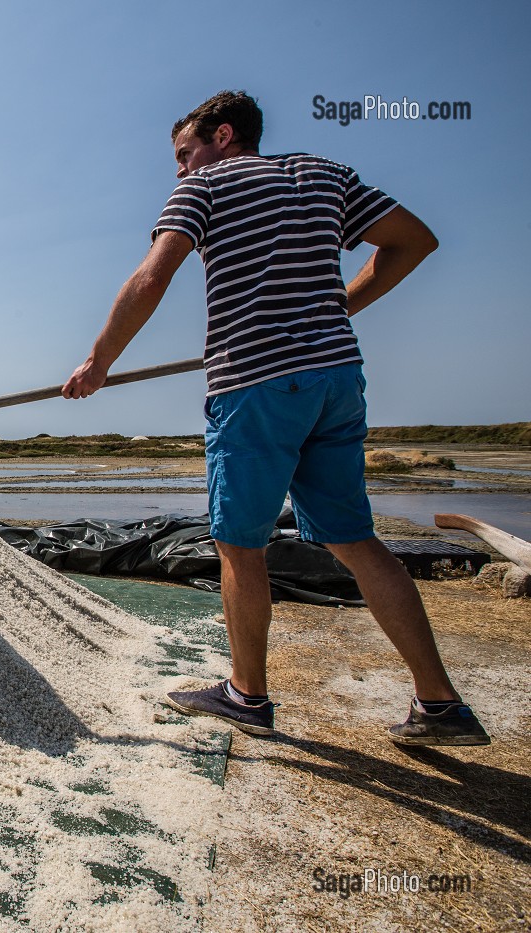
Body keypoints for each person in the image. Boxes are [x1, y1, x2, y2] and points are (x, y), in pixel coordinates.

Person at [61, 90, 490, 746]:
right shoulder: (325, 174)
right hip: (336, 380)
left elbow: (150, 279)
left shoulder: (204, 188)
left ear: (224, 135)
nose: (180, 170)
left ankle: (247, 695)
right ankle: (440, 703)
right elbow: (414, 241)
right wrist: (339, 306)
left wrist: (96, 364)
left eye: (185, 154)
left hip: (256, 385)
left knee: (239, 544)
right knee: (356, 539)